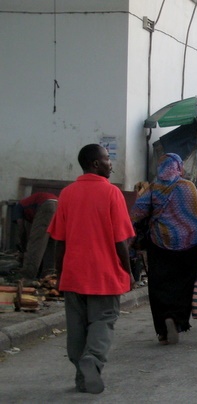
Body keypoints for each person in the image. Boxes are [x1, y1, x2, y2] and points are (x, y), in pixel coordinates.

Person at [48, 144, 135, 394]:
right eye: (107, 159)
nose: (111, 164)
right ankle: (92, 360)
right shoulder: (112, 193)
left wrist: (59, 272)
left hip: (74, 273)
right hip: (104, 274)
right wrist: (127, 271)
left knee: (76, 326)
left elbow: (59, 240)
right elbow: (121, 240)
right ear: (96, 164)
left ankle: (81, 377)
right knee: (103, 320)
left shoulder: (67, 194)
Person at [131, 153, 197, 345]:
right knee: (185, 285)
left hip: (159, 245)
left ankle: (163, 330)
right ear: (178, 167)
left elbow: (137, 213)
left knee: (159, 286)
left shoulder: (153, 188)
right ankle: (176, 320)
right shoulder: (188, 187)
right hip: (189, 246)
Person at [12, 192, 58, 282]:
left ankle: (27, 276)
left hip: (47, 205)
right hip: (58, 204)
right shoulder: (30, 205)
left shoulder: (18, 207)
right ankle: (48, 276)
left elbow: (21, 228)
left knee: (36, 242)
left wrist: (23, 248)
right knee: (50, 242)